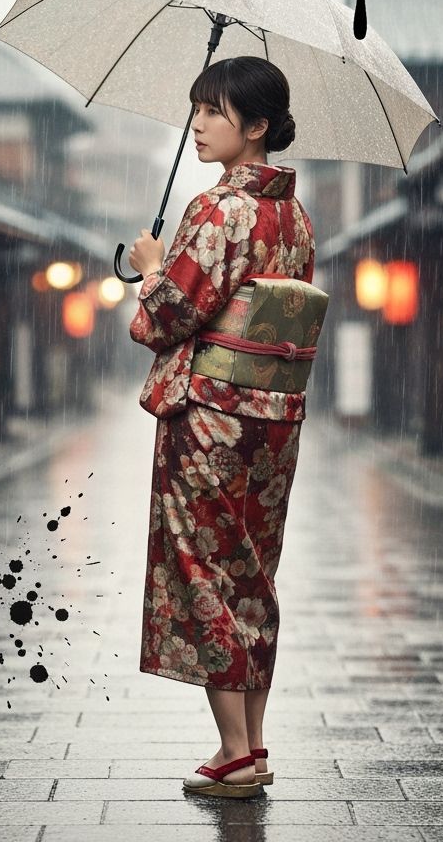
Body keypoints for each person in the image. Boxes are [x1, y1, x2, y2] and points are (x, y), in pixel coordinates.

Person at [127, 56, 315, 798]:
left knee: (203, 566)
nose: (198, 125)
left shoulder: (218, 210)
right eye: (196, 109)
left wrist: (150, 268)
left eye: (215, 111)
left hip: (207, 416)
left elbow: (165, 319)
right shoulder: (293, 215)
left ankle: (233, 752)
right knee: (251, 572)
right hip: (271, 420)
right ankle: (254, 745)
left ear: (257, 125)